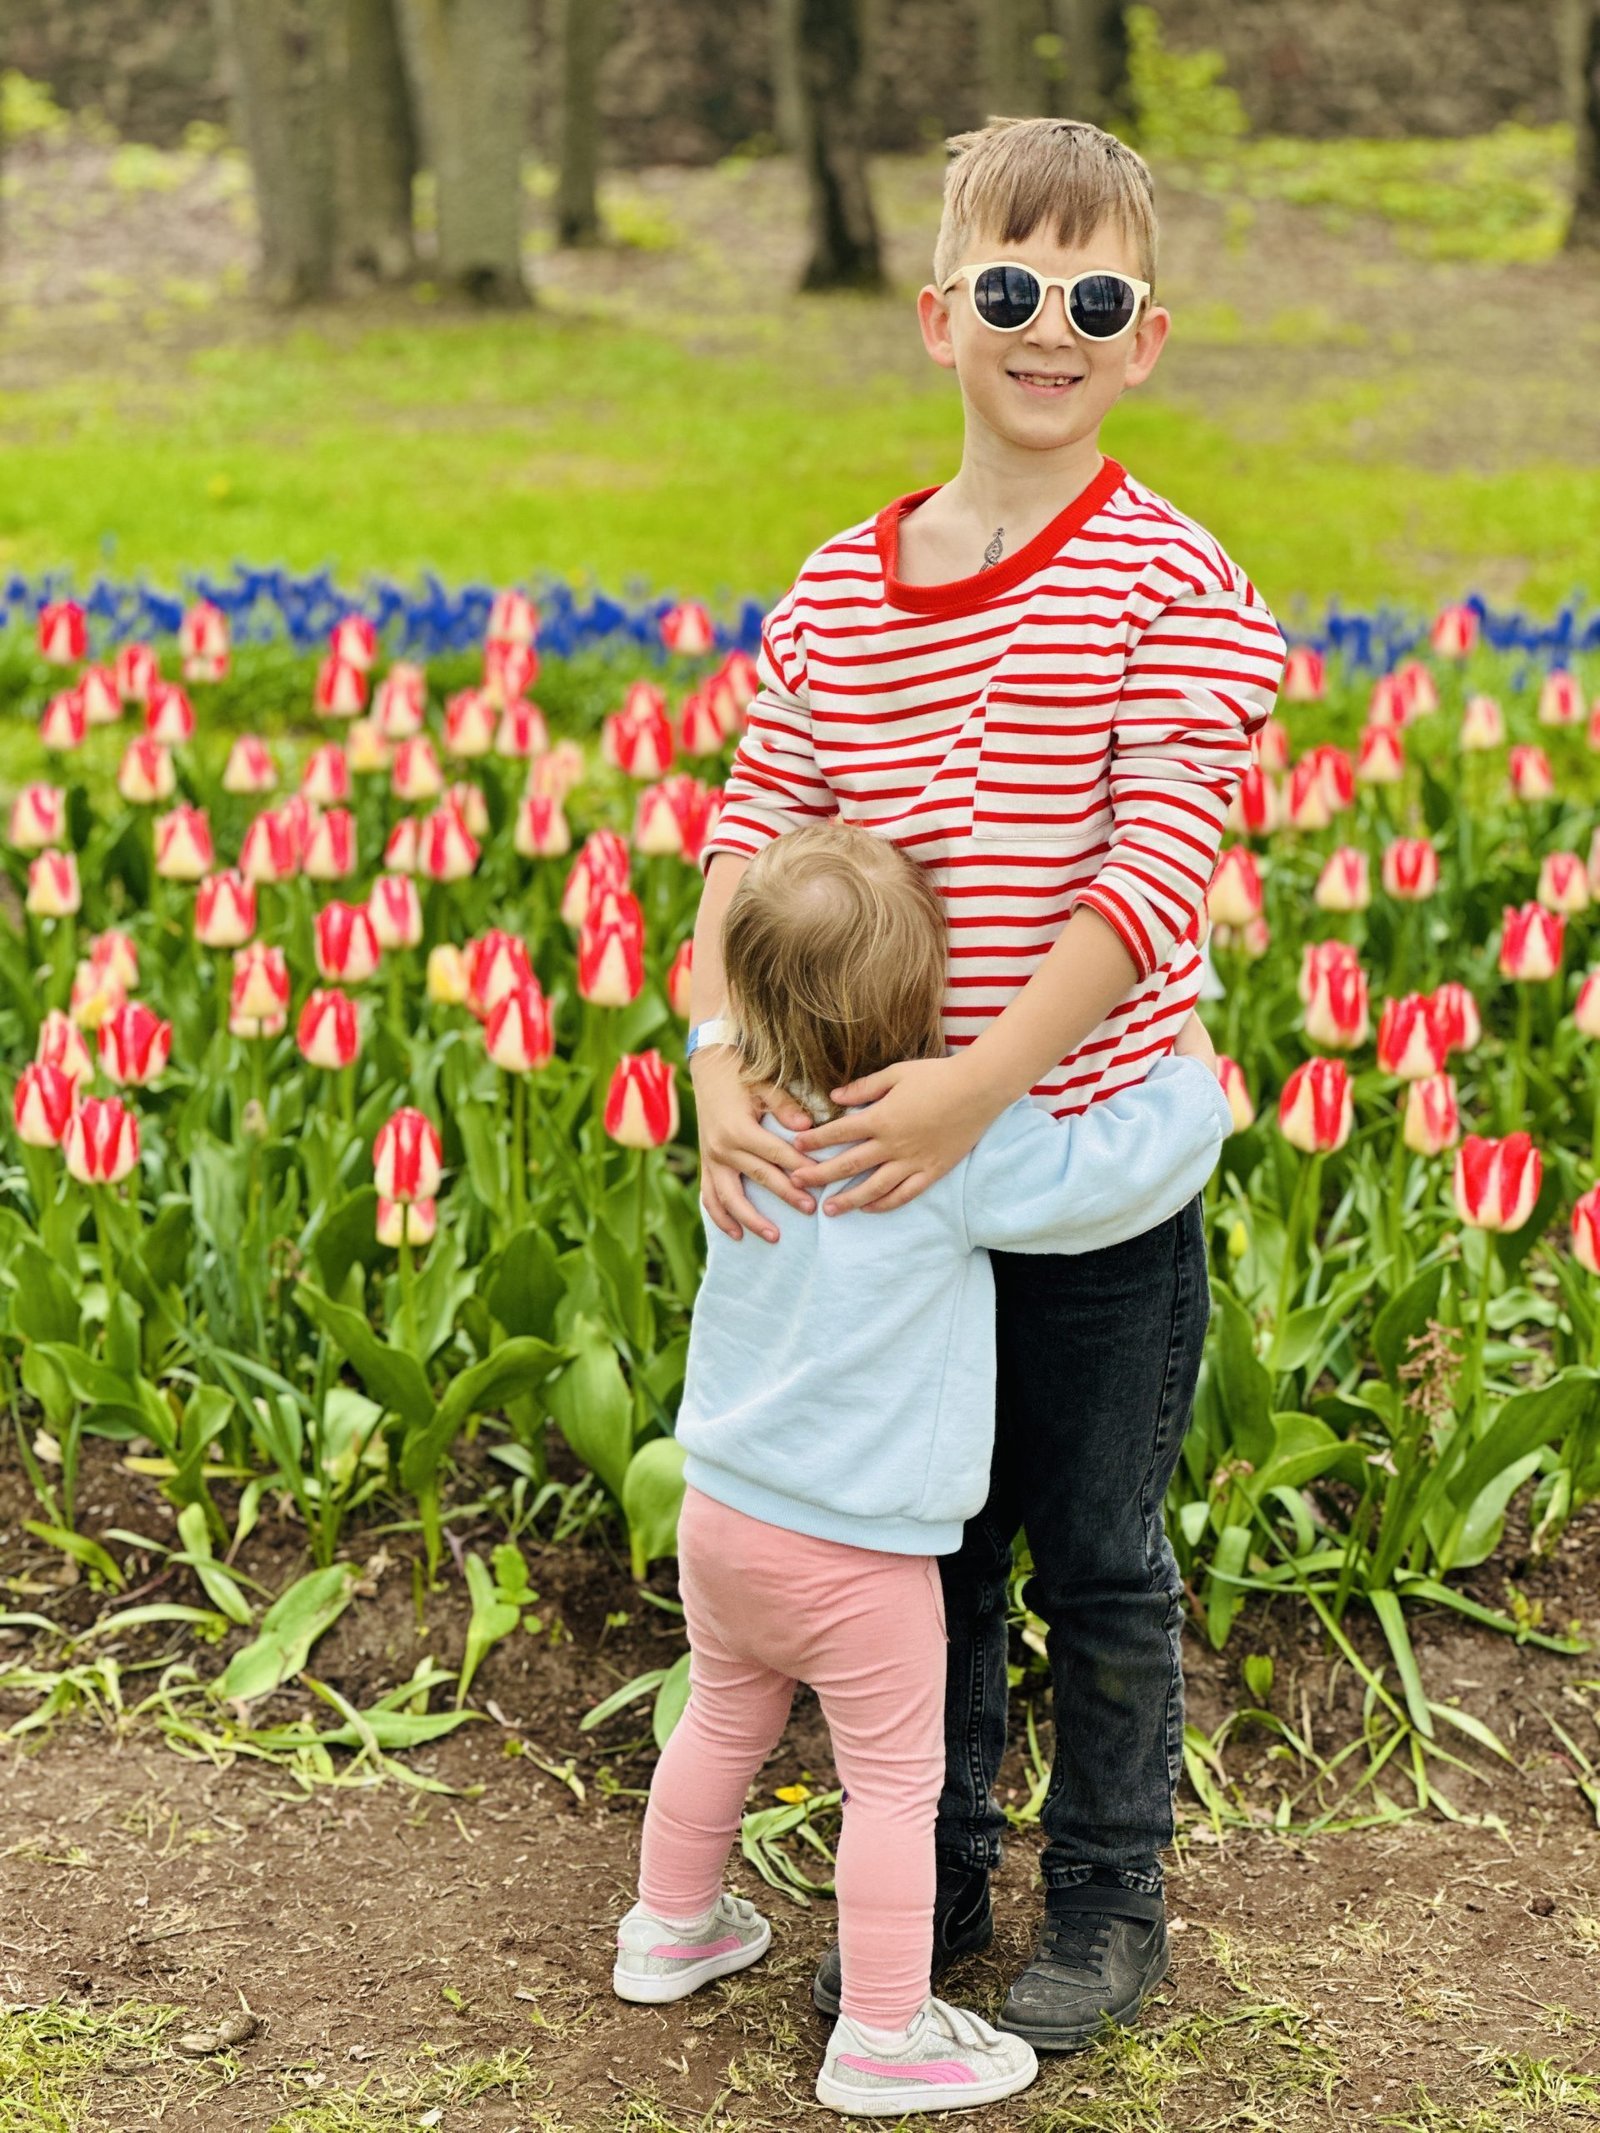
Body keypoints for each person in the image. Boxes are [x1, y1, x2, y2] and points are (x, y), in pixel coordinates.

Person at [685, 116, 1286, 2053]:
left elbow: (1144, 872)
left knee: (1098, 1552)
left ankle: (1107, 1898)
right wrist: (713, 1048)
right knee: (910, 1541)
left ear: (1144, 338)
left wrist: (978, 1085)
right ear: (941, 314)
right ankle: (923, 1867)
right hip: (877, 1165)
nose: (1048, 325)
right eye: (1010, 289)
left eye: (1090, 297)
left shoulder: (1173, 582)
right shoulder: (843, 588)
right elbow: (751, 820)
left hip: (1081, 1161)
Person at [614, 823, 1233, 2117]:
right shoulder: (936, 1149)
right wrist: (1189, 1074)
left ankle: (667, 1927)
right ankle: (886, 2033)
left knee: (725, 1719)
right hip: (862, 1547)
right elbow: (1113, 1172)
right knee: (893, 1783)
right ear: (927, 1000)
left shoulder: (747, 1136)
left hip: (723, 1518)